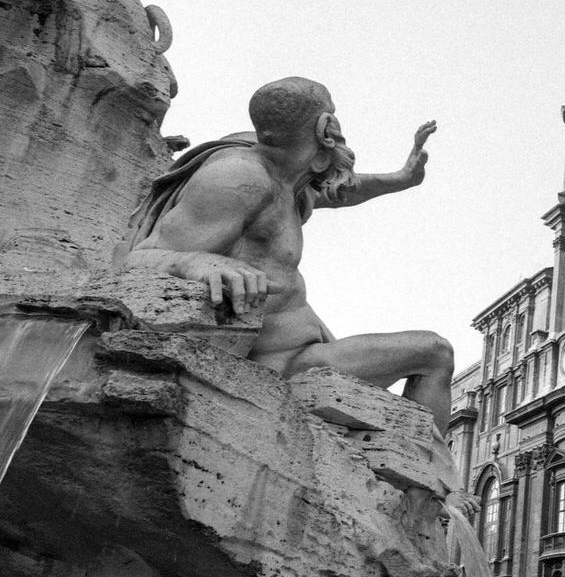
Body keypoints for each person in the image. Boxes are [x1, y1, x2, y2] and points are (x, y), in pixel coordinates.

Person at [120, 76, 454, 433]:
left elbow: (339, 191)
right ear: (327, 126)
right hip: (282, 365)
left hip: (307, 348)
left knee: (430, 353)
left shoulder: (288, 178)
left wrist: (402, 177)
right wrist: (195, 261)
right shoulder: (239, 179)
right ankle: (429, 482)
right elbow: (138, 260)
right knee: (435, 353)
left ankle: (421, 475)